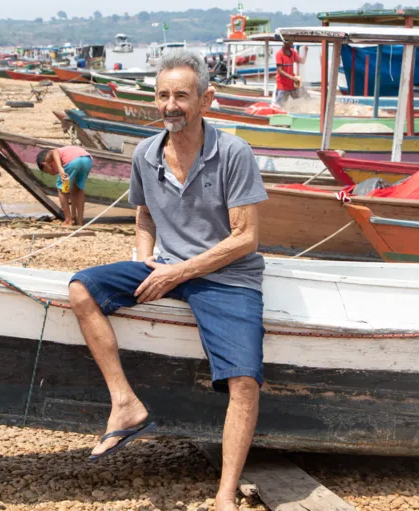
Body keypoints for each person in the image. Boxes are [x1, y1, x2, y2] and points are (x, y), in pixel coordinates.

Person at [68, 49, 267, 511]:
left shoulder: (233, 152)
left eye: (181, 95)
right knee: (81, 288)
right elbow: (143, 216)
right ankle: (126, 404)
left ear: (206, 100)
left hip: (228, 277)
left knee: (244, 383)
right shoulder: (145, 152)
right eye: (162, 95)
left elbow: (246, 239)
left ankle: (223, 495)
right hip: (169, 267)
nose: (170, 105)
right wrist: (147, 264)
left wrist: (179, 270)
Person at [36, 147, 93, 226]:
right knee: (78, 189)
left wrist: (60, 168)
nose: (51, 174)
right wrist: (73, 214)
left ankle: (68, 220)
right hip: (87, 160)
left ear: (45, 164)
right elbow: (72, 192)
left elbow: (54, 151)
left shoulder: (48, 158)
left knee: (61, 189)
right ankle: (79, 221)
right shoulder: (63, 155)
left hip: (73, 161)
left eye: (47, 172)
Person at [274, 40, 307, 107]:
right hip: (282, 86)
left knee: (306, 97)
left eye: (291, 42)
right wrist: (292, 78)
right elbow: (280, 70)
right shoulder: (279, 54)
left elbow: (302, 61)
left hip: (292, 85)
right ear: (284, 42)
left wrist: (306, 51)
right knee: (281, 107)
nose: (291, 43)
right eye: (289, 42)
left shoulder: (293, 52)